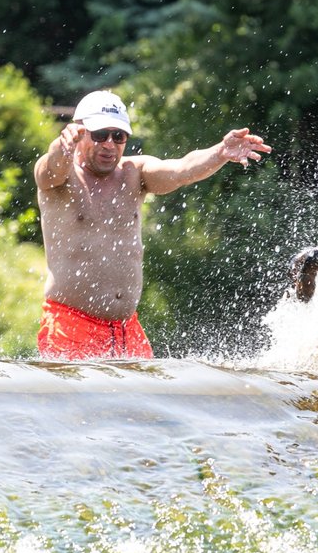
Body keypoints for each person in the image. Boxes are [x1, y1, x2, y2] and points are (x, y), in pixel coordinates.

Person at [35, 90, 271, 360]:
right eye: (100, 135)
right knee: (80, 402)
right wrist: (60, 148)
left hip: (126, 329)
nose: (109, 145)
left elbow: (181, 169)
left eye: (118, 136)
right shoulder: (61, 178)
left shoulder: (134, 173)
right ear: (78, 132)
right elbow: (49, 169)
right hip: (70, 325)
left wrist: (220, 152)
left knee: (143, 401)